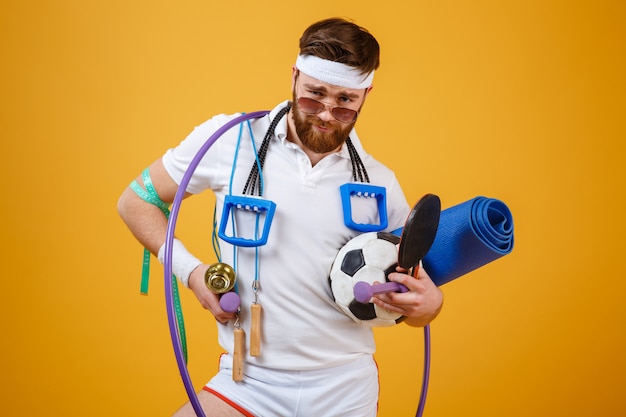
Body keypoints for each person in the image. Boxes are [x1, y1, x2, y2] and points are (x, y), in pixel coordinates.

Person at [118, 17, 443, 417]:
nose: (326, 113)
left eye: (345, 101)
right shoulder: (229, 141)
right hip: (248, 380)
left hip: (345, 390)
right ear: (294, 77)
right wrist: (191, 272)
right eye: (313, 94)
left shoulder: (380, 183)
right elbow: (136, 202)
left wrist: (428, 306)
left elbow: (406, 292)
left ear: (366, 95)